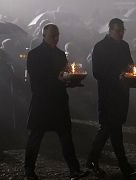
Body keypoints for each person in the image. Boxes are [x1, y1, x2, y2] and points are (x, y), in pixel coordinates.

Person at [24, 23, 88, 180]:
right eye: (53, 35)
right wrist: (58, 79)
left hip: (58, 101)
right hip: (43, 101)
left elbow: (65, 75)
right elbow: (37, 79)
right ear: (44, 35)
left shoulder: (60, 54)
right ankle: (29, 171)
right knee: (36, 137)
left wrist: (72, 81)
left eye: (57, 35)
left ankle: (74, 170)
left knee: (66, 136)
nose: (56, 38)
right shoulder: (34, 54)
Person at [86, 18, 136, 178]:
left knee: (111, 130)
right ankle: (122, 166)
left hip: (121, 94)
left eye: (122, 30)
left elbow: (130, 65)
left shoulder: (124, 46)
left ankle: (94, 160)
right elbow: (97, 72)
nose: (121, 33)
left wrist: (132, 73)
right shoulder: (100, 47)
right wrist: (118, 76)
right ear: (110, 30)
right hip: (109, 94)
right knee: (110, 129)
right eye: (118, 30)